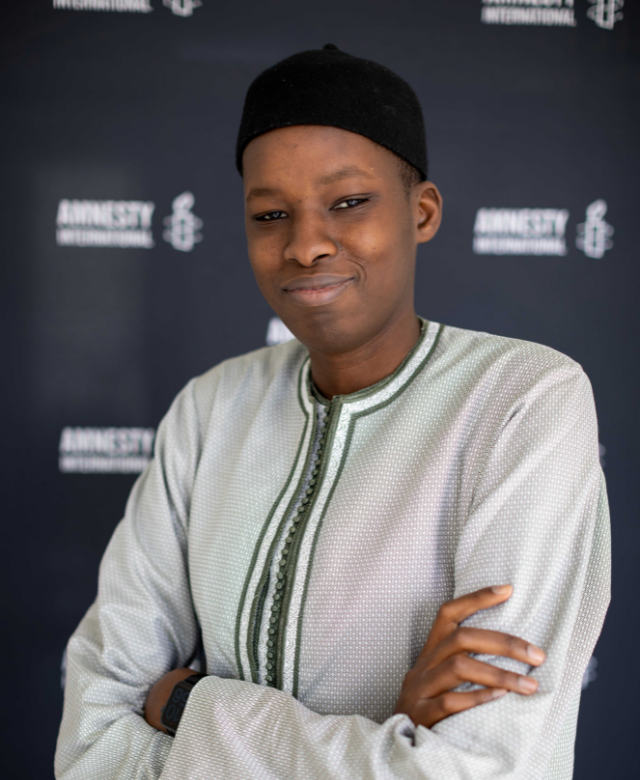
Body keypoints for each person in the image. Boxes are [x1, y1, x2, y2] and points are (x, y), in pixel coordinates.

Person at [55, 45, 610, 780]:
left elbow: (476, 768)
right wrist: (387, 736)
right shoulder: (211, 409)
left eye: (349, 203)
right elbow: (92, 743)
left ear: (421, 211)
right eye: (270, 214)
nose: (305, 244)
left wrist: (189, 708)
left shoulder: (522, 399)